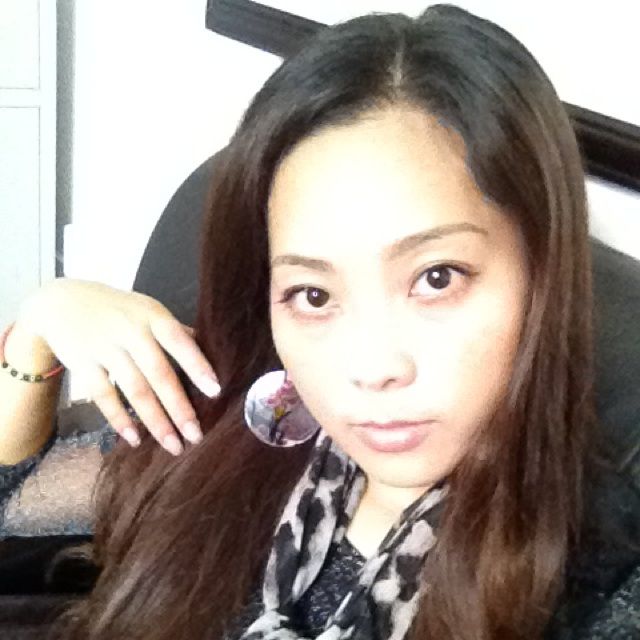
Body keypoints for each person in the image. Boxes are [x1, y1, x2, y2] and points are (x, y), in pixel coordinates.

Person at [0, 4, 638, 639]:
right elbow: (12, 519)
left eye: (437, 278)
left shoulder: (597, 576)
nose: (372, 368)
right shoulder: (228, 439)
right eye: (312, 294)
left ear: (542, 273)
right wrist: (38, 331)